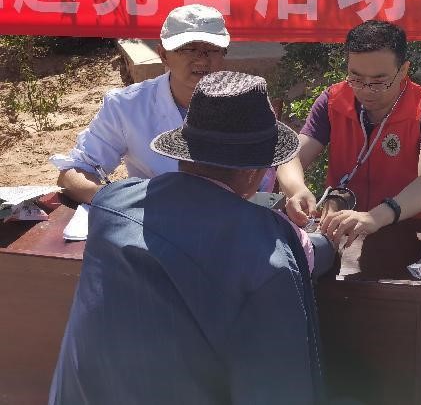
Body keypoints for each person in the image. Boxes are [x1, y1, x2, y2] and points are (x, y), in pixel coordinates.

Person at [50, 71, 331, 405]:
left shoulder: (111, 204)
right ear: (253, 172)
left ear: (181, 153)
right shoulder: (267, 251)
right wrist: (323, 243)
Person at [278, 20, 421, 247]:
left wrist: (377, 216)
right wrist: (297, 190)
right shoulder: (332, 101)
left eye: (379, 82)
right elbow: (291, 156)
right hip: (343, 229)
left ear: (403, 70)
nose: (366, 90)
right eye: (356, 78)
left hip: (411, 232)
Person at [50, 4, 231, 204]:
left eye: (212, 49)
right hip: (154, 215)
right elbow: (75, 171)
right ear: (163, 55)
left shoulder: (246, 103)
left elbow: (260, 172)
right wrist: (122, 204)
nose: (202, 60)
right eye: (189, 49)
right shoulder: (126, 106)